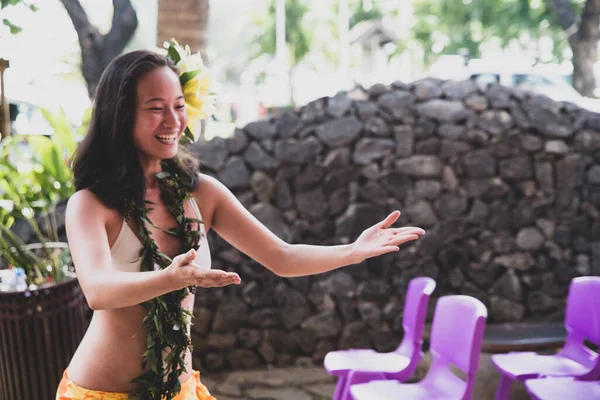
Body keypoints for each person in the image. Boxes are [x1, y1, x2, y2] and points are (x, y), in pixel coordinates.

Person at [56, 48, 426, 400]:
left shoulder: (203, 194)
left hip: (178, 390)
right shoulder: (91, 205)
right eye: (156, 108)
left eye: (179, 106)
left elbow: (281, 256)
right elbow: (98, 291)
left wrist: (351, 252)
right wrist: (171, 278)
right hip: (101, 392)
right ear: (119, 116)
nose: (173, 120)